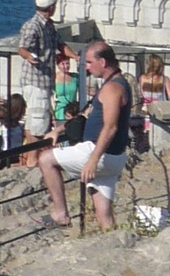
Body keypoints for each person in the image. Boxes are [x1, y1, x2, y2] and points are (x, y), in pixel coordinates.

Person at [38, 42, 133, 232]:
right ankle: (113, 241)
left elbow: (110, 127)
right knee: (104, 215)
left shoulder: (112, 88)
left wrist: (93, 160)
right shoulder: (116, 83)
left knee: (46, 159)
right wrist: (58, 130)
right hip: (114, 155)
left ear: (103, 62)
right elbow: (85, 114)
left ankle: (60, 213)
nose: (86, 67)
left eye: (89, 62)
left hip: (100, 153)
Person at [17, 0, 71, 156]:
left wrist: (76, 57)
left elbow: (60, 44)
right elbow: (22, 48)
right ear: (52, 7)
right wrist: (29, 56)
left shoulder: (49, 25)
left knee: (35, 120)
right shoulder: (33, 26)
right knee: (38, 122)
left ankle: (31, 157)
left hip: (44, 80)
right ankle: (33, 158)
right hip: (36, 80)